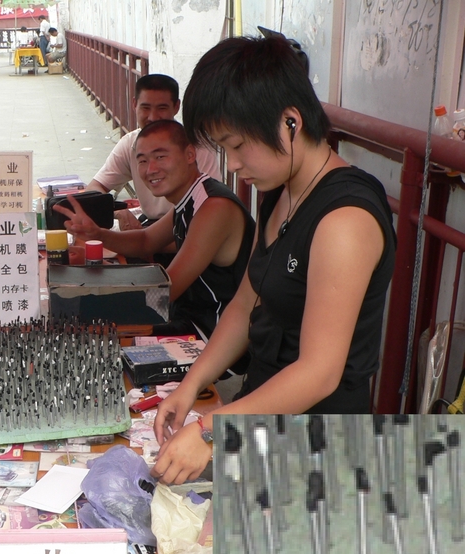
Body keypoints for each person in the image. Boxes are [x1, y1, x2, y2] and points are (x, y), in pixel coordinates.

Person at [152, 36, 396, 484]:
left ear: (290, 121)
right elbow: (245, 306)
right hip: (261, 422)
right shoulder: (281, 192)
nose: (233, 164)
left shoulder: (345, 219)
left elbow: (320, 373)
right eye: (223, 148)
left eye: (239, 145)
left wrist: (209, 431)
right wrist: (190, 386)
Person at [54, 120, 254, 352]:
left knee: (94, 341)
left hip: (216, 334)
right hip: (185, 315)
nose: (150, 169)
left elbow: (165, 291)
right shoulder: (191, 197)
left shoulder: (213, 207)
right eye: (142, 160)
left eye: (160, 157)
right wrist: (97, 234)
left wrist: (79, 302)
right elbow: (145, 240)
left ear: (190, 154)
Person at [86, 74, 222, 230]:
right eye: (145, 108)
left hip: (189, 229)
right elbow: (94, 189)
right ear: (134, 104)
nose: (152, 117)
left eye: (162, 108)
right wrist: (115, 211)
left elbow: (209, 212)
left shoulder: (199, 147)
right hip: (154, 230)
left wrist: (141, 240)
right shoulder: (129, 143)